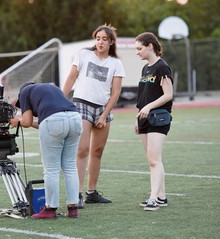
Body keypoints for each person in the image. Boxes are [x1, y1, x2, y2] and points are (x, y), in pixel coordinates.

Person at [62, 24, 125, 208]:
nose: (100, 42)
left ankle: (92, 192)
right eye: (98, 38)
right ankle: (77, 194)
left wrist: (104, 115)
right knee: (82, 149)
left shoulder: (116, 63)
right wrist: (60, 99)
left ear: (111, 42)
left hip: (103, 109)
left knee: (97, 151)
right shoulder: (84, 54)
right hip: (81, 104)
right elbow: (71, 78)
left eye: (104, 39)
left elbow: (115, 93)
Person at [9, 83, 82, 219]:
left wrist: (16, 122)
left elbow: (26, 121)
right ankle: (73, 207)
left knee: (51, 168)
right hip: (75, 118)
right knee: (70, 166)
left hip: (53, 122)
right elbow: (45, 123)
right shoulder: (50, 88)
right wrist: (24, 122)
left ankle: (50, 208)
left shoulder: (24, 92)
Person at [134, 32, 173, 211]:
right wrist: (138, 117)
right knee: (153, 160)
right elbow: (143, 97)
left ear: (150, 46)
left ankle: (153, 198)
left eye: (139, 48)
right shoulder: (145, 69)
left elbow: (168, 95)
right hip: (144, 119)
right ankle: (161, 197)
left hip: (159, 118)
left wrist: (149, 107)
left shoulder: (162, 67)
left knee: (153, 160)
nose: (137, 52)